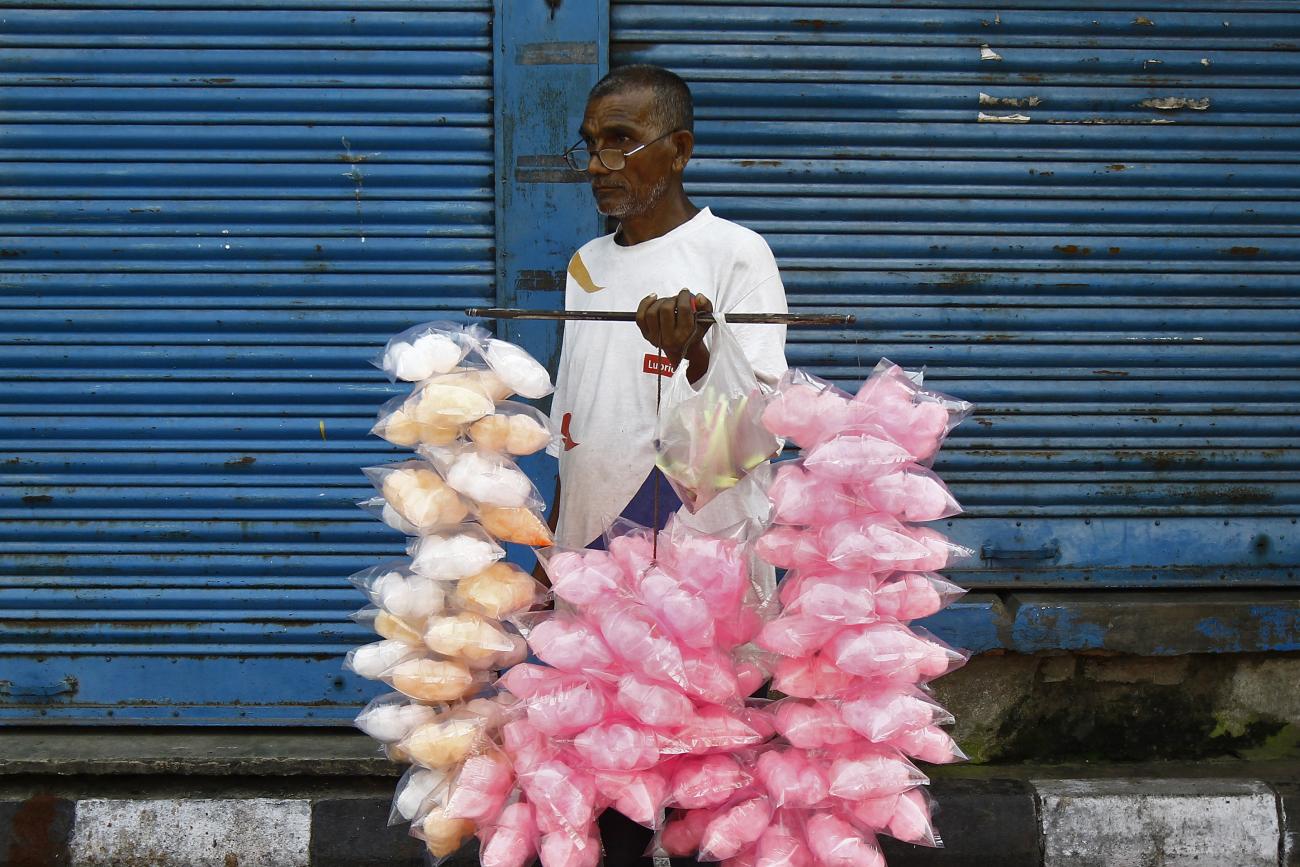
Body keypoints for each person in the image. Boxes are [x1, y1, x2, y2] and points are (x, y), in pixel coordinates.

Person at [546, 64, 790, 865]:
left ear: (679, 148)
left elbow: (754, 433)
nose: (598, 166)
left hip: (697, 573)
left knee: (704, 792)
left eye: (621, 142)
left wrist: (694, 358)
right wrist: (556, 552)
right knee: (609, 791)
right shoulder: (585, 268)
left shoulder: (736, 255)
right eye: (590, 146)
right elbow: (575, 425)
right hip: (595, 573)